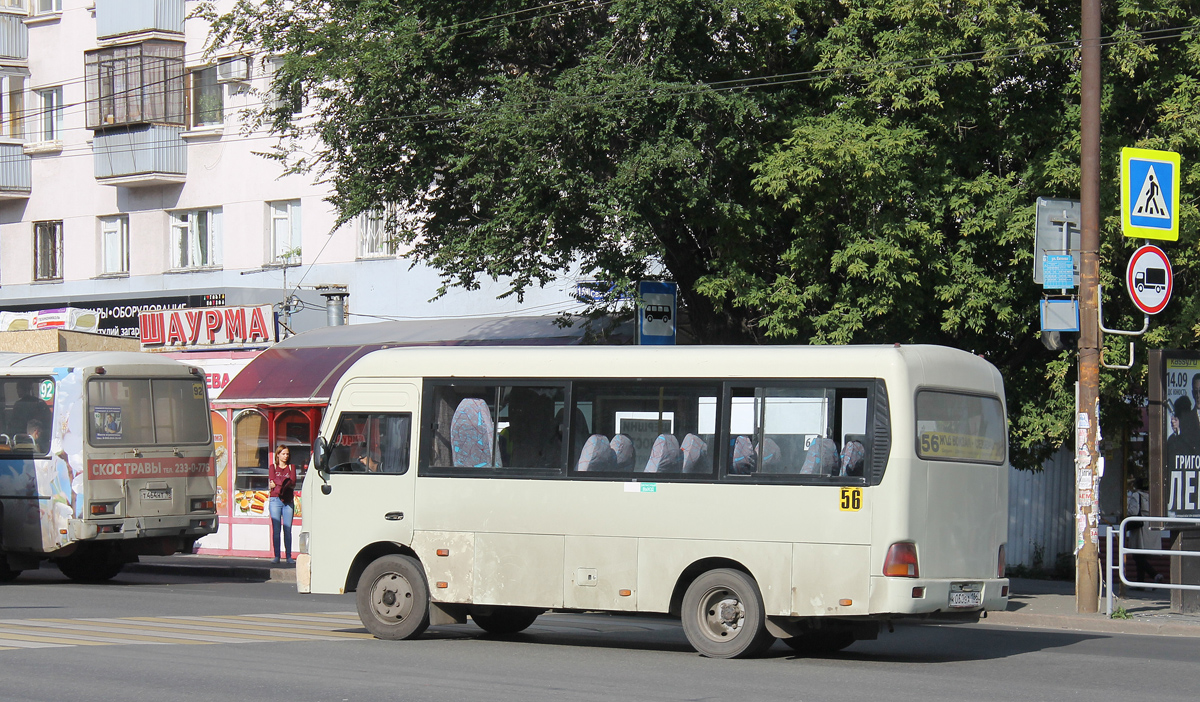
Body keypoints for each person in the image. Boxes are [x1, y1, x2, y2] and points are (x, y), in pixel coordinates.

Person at [1125, 477, 1163, 588]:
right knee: (1141, 556)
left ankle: (1155, 575)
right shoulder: (1155, 496)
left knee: (1137, 556)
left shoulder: (1137, 496)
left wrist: (1125, 510)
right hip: (1152, 526)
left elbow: (1133, 511)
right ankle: (1140, 583)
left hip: (1140, 527)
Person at [268, 444, 297, 564]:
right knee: (276, 529)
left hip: (288, 501)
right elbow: (272, 481)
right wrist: (283, 483)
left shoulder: (291, 467)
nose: (285, 456)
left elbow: (293, 482)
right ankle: (277, 556)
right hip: (275, 500)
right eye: (283, 454)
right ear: (278, 455)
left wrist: (279, 484)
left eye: (287, 454)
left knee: (287, 529)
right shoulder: (273, 467)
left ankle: (289, 556)